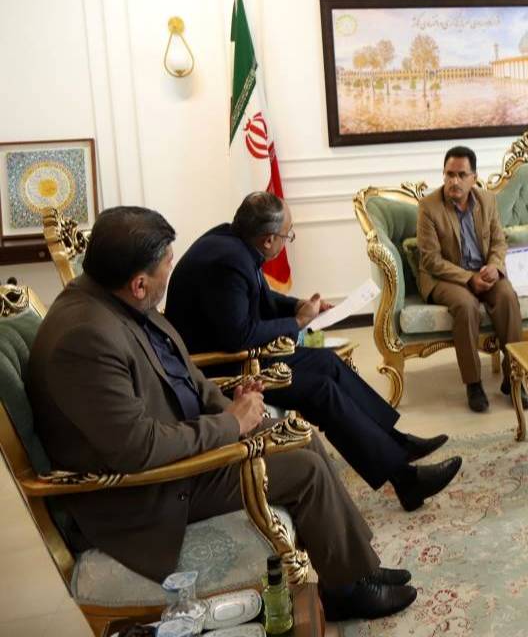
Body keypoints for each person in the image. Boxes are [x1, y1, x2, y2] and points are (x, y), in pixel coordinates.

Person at [26, 207, 416, 621]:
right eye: (167, 265)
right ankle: (346, 592)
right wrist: (230, 423)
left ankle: (357, 569)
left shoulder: (119, 301)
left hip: (181, 449)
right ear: (140, 284)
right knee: (305, 470)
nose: (171, 273)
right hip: (150, 494)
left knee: (298, 435)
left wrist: (232, 408)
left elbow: (185, 375)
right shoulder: (84, 338)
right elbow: (138, 448)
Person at [166, 192, 461, 512]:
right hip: (224, 371)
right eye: (287, 235)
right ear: (268, 240)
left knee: (327, 362)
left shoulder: (234, 241)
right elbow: (240, 336)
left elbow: (261, 300)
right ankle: (406, 480)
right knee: (321, 390)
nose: (287, 241)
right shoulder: (229, 263)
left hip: (243, 355)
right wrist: (296, 322)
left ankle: (397, 441)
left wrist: (301, 306)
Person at [416, 146, 526, 413]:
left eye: (461, 175)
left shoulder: (487, 200)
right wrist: (469, 278)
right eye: (449, 174)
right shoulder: (429, 207)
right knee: (466, 306)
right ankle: (473, 383)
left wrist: (494, 267)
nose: (454, 181)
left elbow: (499, 241)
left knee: (507, 296)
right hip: (445, 277)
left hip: (484, 271)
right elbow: (431, 260)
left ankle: (514, 377)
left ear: (473, 178)